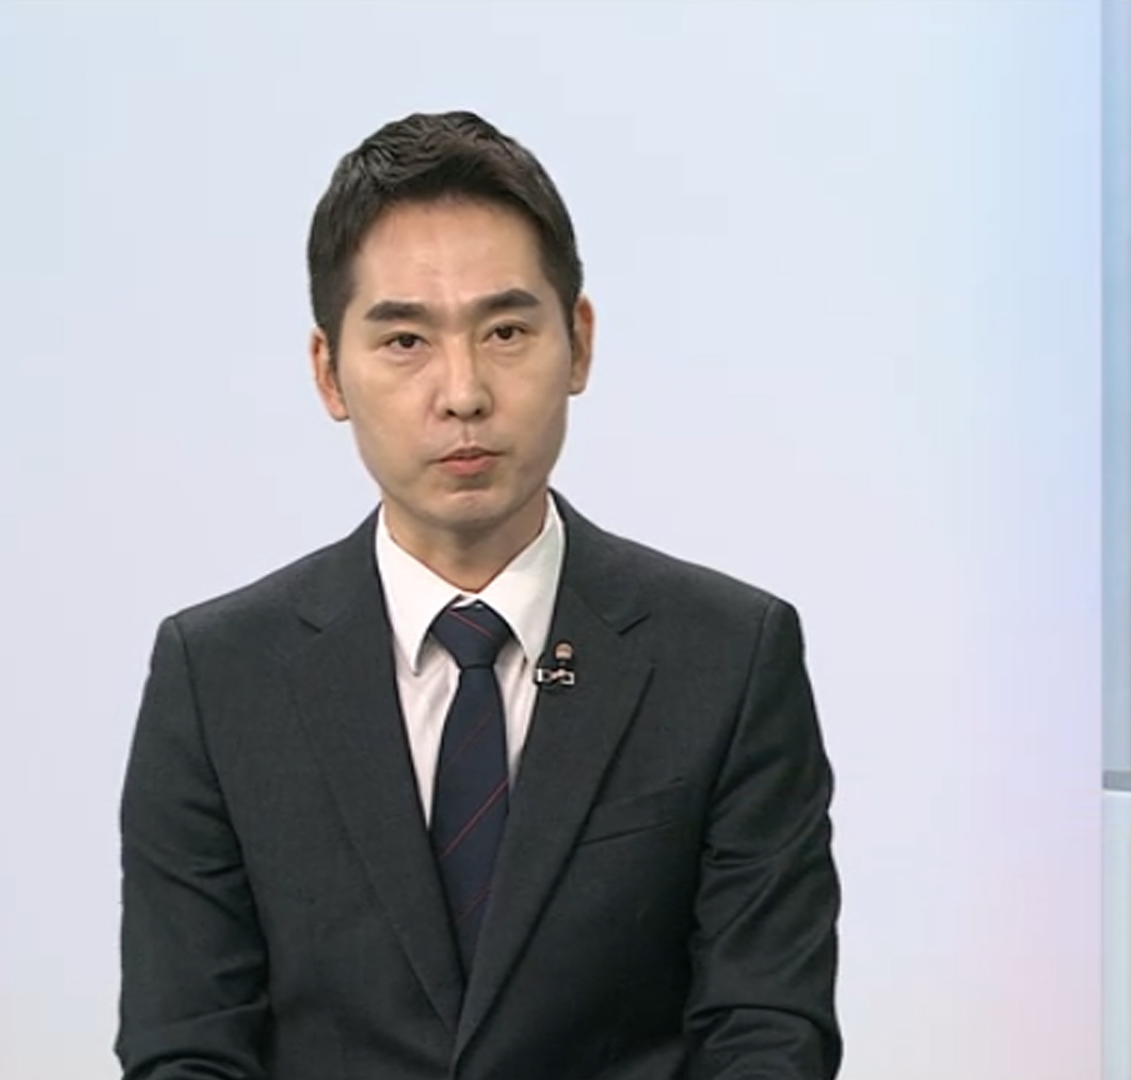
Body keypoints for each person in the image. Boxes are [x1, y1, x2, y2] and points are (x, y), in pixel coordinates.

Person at [116, 110, 842, 1080]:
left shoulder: (729, 657)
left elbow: (767, 1034)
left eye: (505, 331)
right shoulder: (219, 679)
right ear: (329, 373)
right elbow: (187, 1049)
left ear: (578, 342)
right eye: (405, 340)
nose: (462, 392)